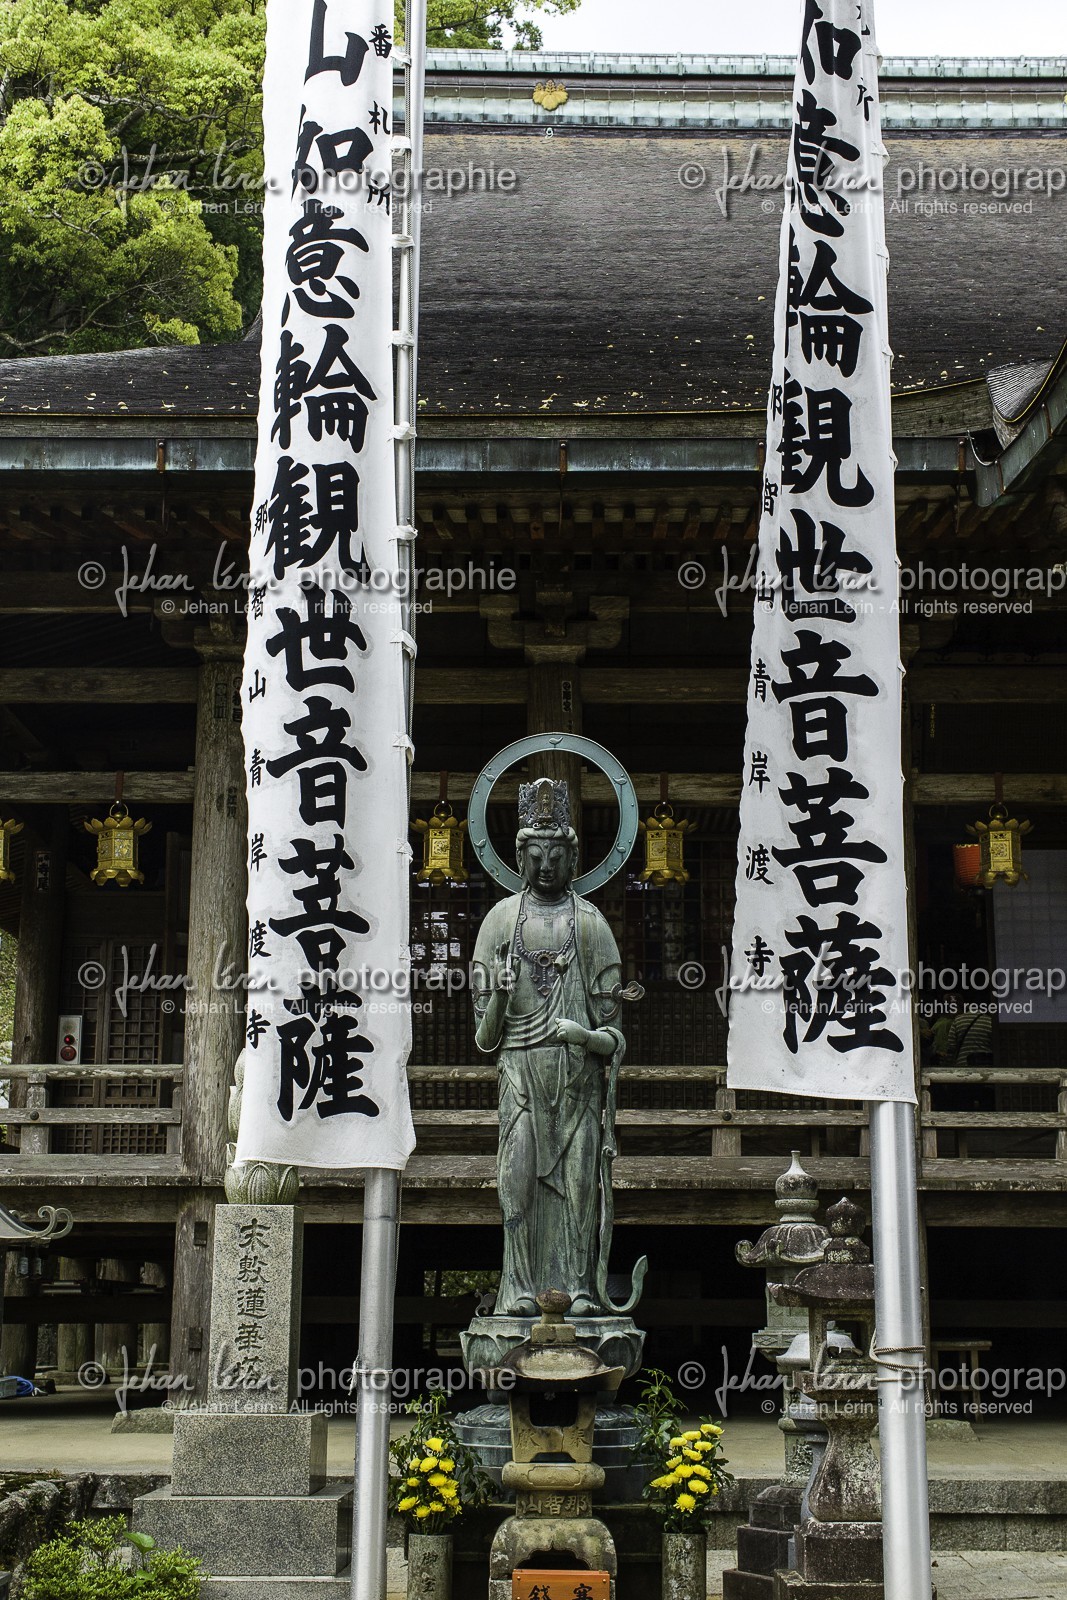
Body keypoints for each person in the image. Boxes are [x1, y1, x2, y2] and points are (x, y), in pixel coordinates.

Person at [471, 777, 629, 1318]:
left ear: (573, 857)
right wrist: (497, 996)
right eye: (534, 854)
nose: (544, 866)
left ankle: (581, 1285)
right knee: (516, 1183)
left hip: (577, 1084)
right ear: (518, 854)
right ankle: (517, 1285)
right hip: (519, 1077)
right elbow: (484, 1039)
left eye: (555, 855)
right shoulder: (497, 924)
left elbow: (614, 1035)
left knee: (580, 1187)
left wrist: (585, 1036)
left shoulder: (591, 926)